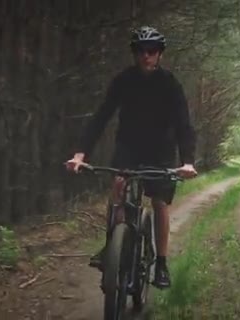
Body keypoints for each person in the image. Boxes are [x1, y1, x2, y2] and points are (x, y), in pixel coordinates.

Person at [65, 26, 197, 289]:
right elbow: (101, 117)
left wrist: (188, 161)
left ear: (160, 54)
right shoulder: (123, 80)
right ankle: (111, 247)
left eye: (151, 51)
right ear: (134, 54)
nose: (145, 56)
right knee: (118, 189)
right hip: (129, 146)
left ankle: (160, 263)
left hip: (161, 149)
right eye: (140, 51)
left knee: (159, 203)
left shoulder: (170, 84)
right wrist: (80, 154)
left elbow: (184, 124)